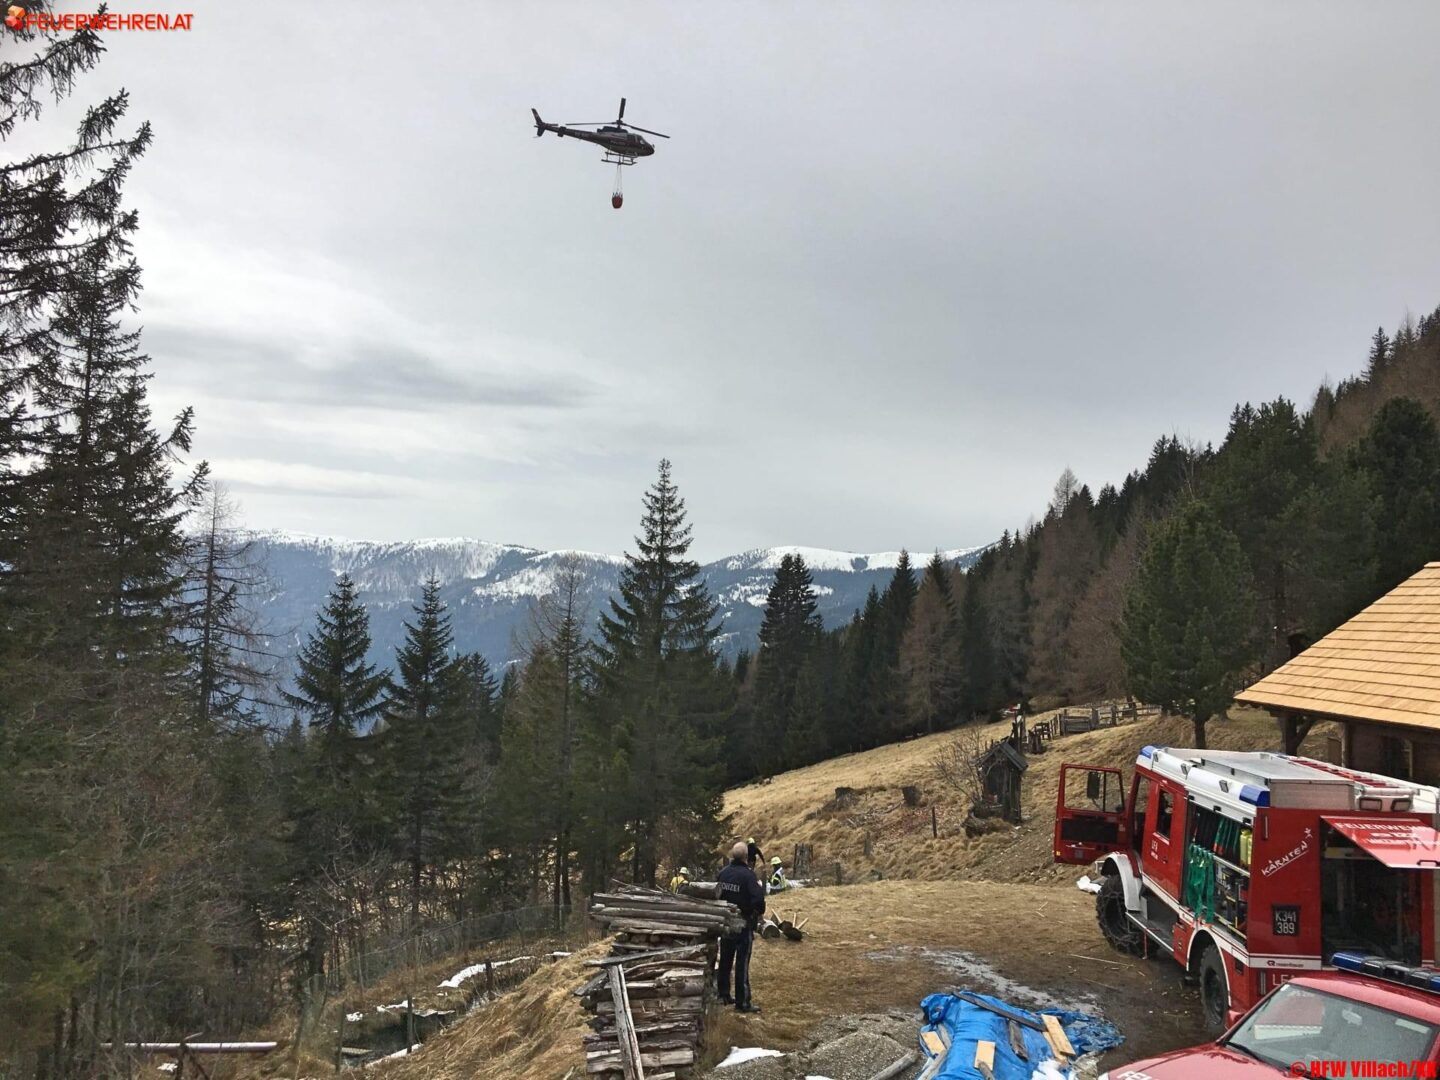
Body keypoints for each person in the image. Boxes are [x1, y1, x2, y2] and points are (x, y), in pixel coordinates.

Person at [717, 841, 765, 1013]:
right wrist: (755, 912)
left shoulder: (723, 874)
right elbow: (758, 901)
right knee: (742, 963)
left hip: (725, 923)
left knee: (725, 960)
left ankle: (722, 994)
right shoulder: (749, 876)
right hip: (743, 924)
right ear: (746, 857)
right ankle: (742, 1001)